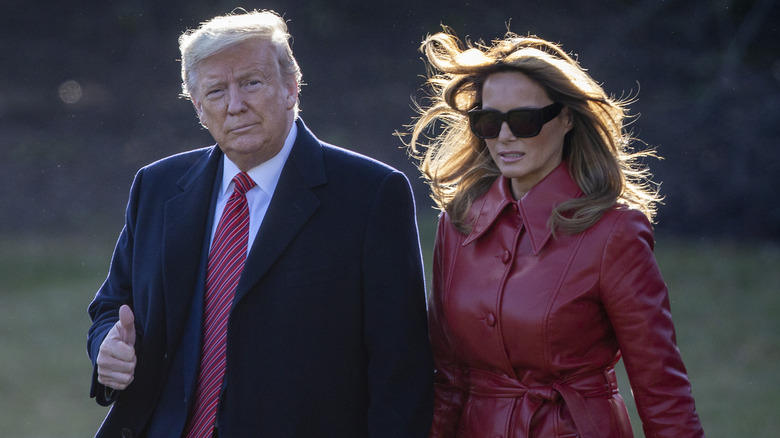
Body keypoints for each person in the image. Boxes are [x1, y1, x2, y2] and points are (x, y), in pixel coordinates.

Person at [87, 10, 433, 438]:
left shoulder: (371, 194)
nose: (235, 105)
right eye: (216, 91)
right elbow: (112, 306)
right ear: (198, 108)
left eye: (251, 83)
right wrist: (107, 348)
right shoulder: (157, 188)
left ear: (291, 88)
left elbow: (402, 368)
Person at [406, 29, 705, 437]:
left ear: (566, 117)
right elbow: (449, 376)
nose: (505, 136)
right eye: (489, 121)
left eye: (524, 120)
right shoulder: (458, 223)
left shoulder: (614, 232)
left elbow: (660, 389)